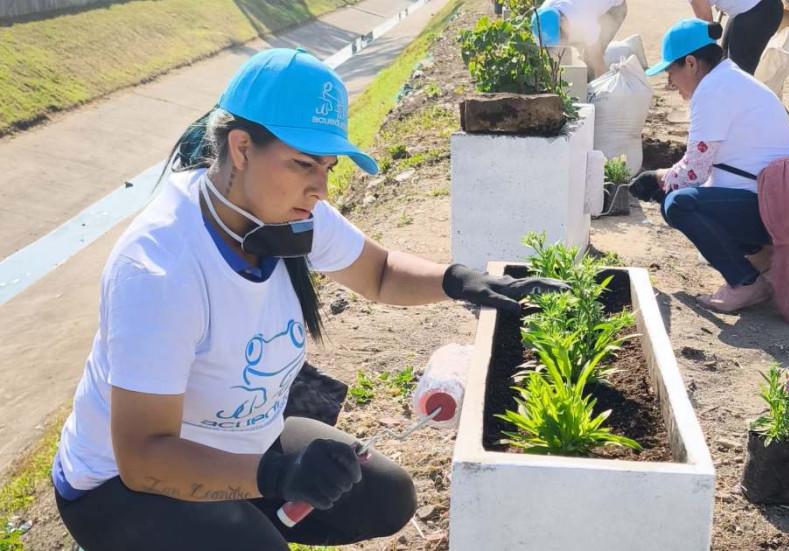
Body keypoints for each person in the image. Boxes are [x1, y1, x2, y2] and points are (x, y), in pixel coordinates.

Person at [50, 47, 566, 551]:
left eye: (327, 167)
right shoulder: (159, 268)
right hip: (126, 486)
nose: (320, 188)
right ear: (241, 148)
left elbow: (380, 273)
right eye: (302, 164)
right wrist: (277, 474)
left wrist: (459, 281)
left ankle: (244, 506)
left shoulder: (287, 214)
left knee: (386, 497)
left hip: (244, 440)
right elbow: (145, 456)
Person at [628, 18, 789, 313]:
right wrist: (665, 179)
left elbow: (695, 171)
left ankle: (745, 282)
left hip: (771, 207)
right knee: (680, 193)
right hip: (781, 202)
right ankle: (762, 257)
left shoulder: (712, 92)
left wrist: (657, 179)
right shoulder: (729, 78)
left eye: (671, 71)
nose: (670, 82)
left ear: (691, 63)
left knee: (678, 204)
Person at [531, 0, 628, 79]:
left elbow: (598, 64)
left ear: (563, 20)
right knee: (566, 54)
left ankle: (588, 87)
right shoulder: (542, 18)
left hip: (613, 7)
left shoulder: (584, 22)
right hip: (585, 6)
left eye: (562, 37)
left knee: (590, 60)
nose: (561, 42)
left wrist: (603, 91)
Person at [687, 0, 784, 74]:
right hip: (752, 9)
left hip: (758, 10)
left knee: (737, 74)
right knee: (726, 66)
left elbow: (706, 25)